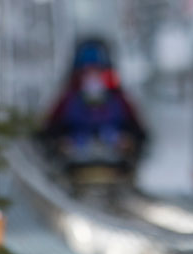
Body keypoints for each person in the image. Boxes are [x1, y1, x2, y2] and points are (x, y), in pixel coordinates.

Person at [40, 37, 148, 173]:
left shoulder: (118, 99)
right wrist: (60, 143)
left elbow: (138, 131)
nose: (92, 76)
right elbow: (50, 129)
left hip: (113, 155)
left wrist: (129, 142)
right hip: (75, 156)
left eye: (97, 71)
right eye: (87, 71)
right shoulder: (68, 98)